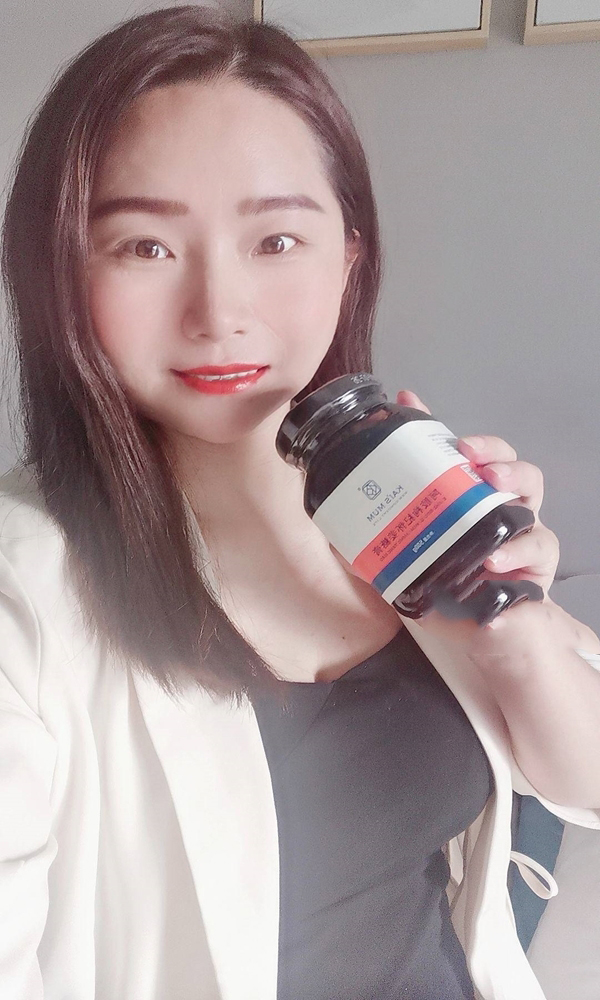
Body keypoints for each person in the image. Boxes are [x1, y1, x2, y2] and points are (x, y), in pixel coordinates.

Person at [1, 6, 599, 999]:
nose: (219, 312)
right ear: (61, 270)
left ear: (349, 257)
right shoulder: (22, 590)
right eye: (145, 247)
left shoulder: (403, 496)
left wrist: (513, 626)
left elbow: (583, 783)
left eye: (276, 239)